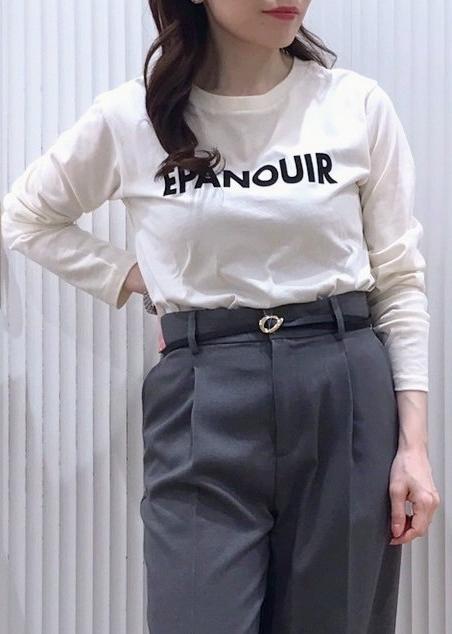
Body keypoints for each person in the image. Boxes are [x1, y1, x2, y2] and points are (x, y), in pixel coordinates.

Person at [1, 1, 440, 632]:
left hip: (341, 388)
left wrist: (414, 448)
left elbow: (398, 279)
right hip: (202, 393)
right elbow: (27, 216)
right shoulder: (133, 117)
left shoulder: (354, 105)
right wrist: (143, 278)